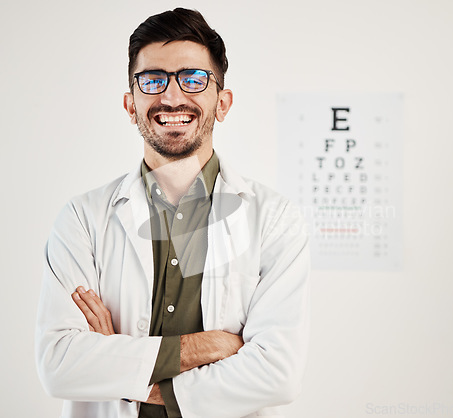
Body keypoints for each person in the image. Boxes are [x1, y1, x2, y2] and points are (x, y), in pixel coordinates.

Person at [35, 8, 310, 418]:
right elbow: (58, 365)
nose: (172, 96)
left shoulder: (275, 220)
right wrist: (208, 346)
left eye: (194, 79)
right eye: (153, 80)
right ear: (131, 104)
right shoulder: (82, 219)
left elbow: (277, 373)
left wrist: (124, 372)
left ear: (223, 102)